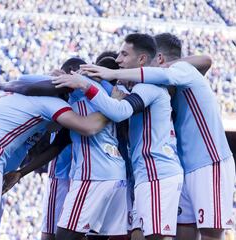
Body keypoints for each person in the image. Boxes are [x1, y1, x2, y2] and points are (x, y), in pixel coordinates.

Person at [78, 33, 236, 240]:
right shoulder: (156, 87)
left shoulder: (181, 71)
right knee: (183, 229)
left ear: (159, 59)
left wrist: (109, 74)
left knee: (210, 233)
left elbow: (204, 61)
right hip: (181, 165)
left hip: (209, 161)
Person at [0, 58, 109, 240]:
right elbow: (88, 126)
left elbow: (58, 143)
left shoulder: (11, 91)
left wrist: (21, 172)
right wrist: (112, 105)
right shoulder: (50, 102)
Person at [53, 33, 184, 240]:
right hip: (145, 173)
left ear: (141, 59)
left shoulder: (149, 87)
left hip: (157, 172)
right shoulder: (134, 87)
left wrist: (86, 85)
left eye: (124, 54)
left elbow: (120, 111)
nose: (119, 60)